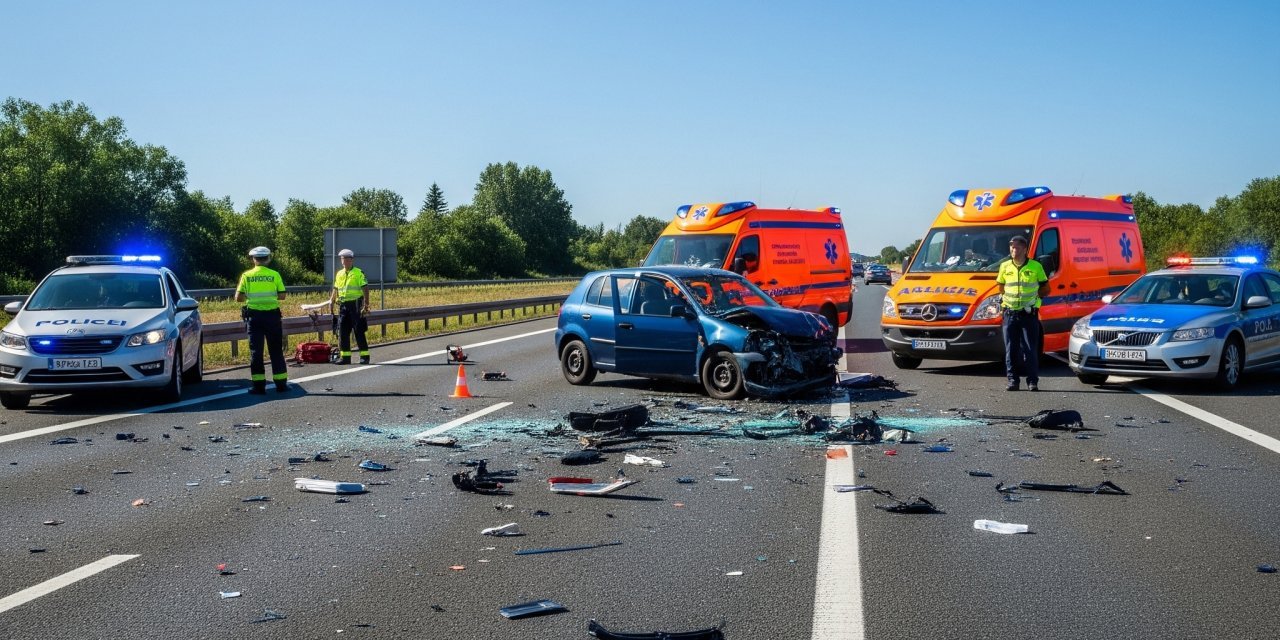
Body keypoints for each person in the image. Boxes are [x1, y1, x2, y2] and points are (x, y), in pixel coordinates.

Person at [996, 236, 1049, 391]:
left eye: (1017, 247)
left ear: (1025, 249)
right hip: (1010, 314)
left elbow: (1046, 288)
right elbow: (1001, 286)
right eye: (1011, 247)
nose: (1013, 250)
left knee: (1030, 349)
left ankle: (1032, 381)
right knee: (1010, 350)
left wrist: (1034, 301)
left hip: (1029, 314)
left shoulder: (1035, 266)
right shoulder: (1005, 266)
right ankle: (1013, 381)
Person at [235, 246, 288, 394]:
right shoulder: (274, 275)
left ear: (253, 259)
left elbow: (238, 297)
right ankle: (281, 385)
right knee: (276, 350)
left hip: (254, 318)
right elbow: (282, 295)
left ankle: (258, 386)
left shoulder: (247, 275)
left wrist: (252, 298)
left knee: (256, 352)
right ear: (268, 258)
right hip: (272, 317)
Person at [328, 248, 371, 364]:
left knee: (358, 331)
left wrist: (366, 305)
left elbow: (365, 288)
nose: (344, 261)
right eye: (342, 259)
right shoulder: (339, 274)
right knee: (342, 331)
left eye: (346, 259)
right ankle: (345, 357)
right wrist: (331, 301)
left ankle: (364, 356)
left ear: (351, 260)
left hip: (356, 305)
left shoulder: (358, 273)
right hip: (343, 306)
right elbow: (336, 289)